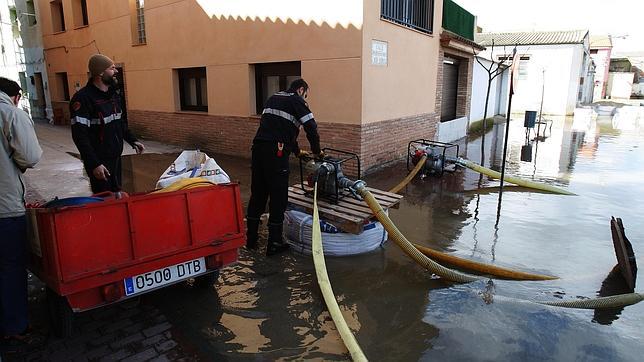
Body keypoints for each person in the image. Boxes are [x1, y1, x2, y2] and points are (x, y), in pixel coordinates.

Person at [247, 78, 323, 255]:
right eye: (306, 94)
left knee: (258, 193)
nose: (305, 97)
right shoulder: (296, 100)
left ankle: (250, 239)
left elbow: (281, 127)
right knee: (278, 194)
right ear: (301, 89)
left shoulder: (273, 97)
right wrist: (317, 152)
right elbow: (311, 127)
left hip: (258, 149)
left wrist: (297, 152)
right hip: (276, 152)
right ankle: (274, 243)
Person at [0, 77, 42, 348]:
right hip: (4, 209)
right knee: (10, 268)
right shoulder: (10, 113)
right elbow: (30, 157)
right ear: (15, 96)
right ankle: (15, 326)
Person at [70, 54, 145, 194]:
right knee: (105, 200)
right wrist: (94, 164)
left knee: (118, 195)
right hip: (100, 162)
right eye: (112, 68)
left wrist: (133, 140)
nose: (116, 71)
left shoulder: (113, 95)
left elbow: (119, 122)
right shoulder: (83, 99)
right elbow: (80, 137)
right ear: (100, 73)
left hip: (115, 157)